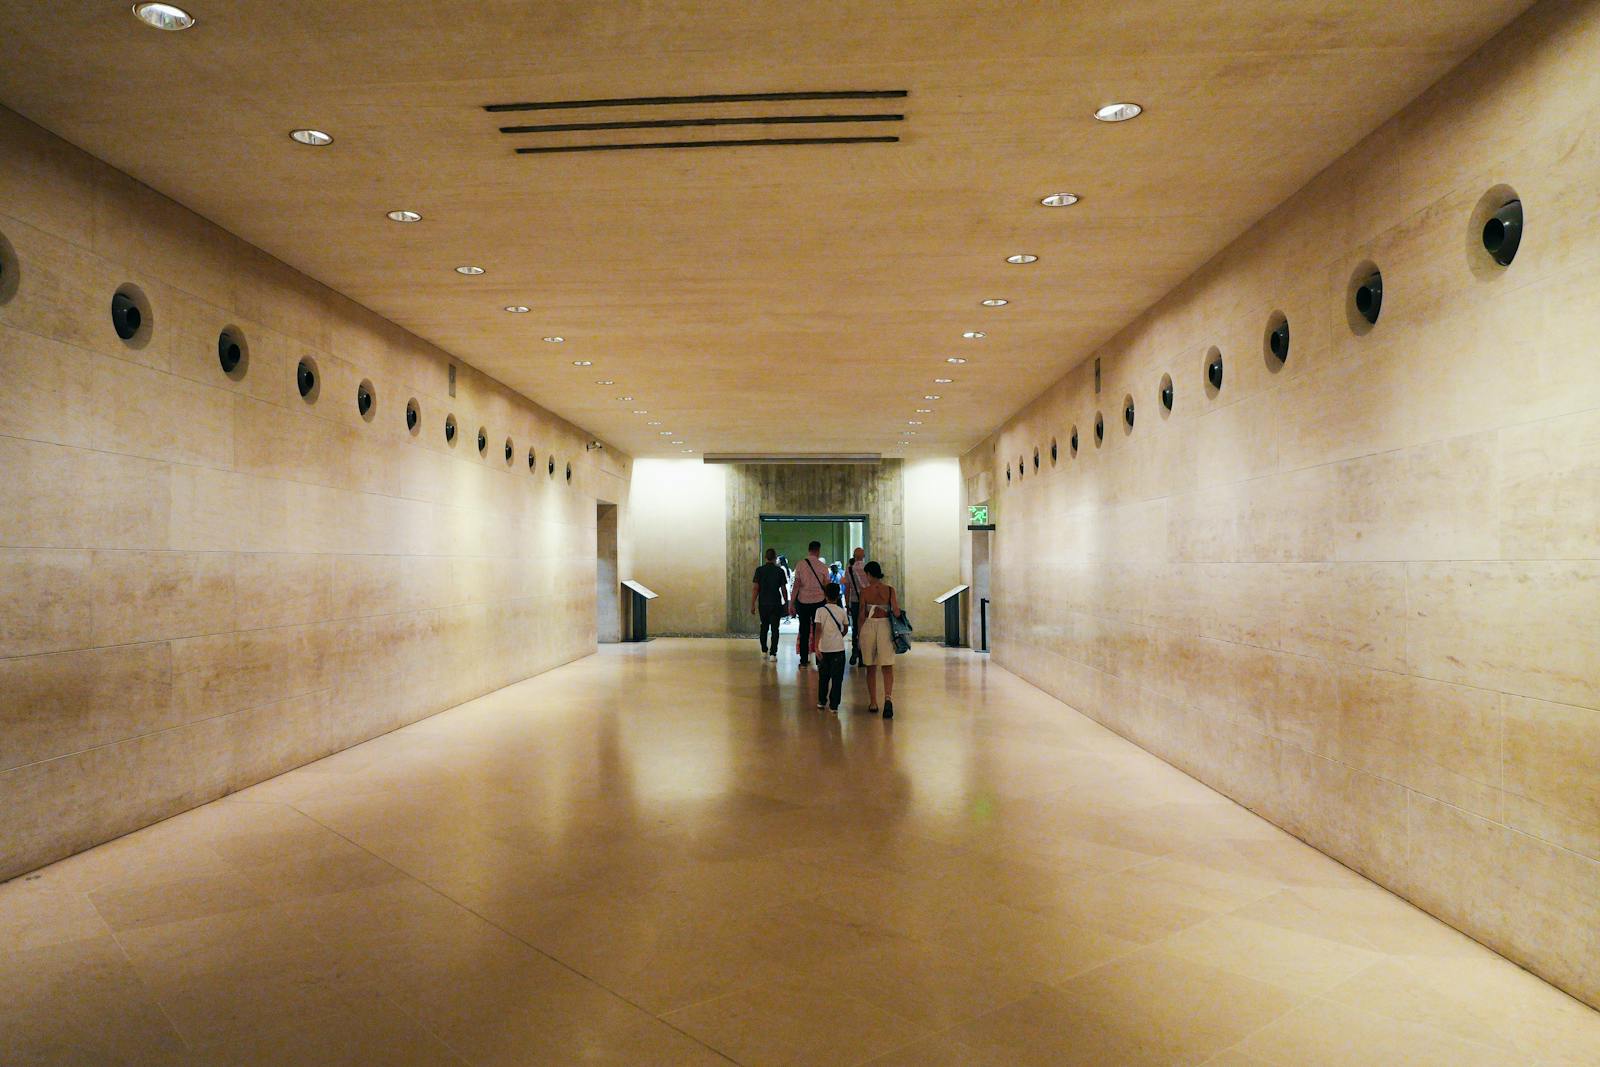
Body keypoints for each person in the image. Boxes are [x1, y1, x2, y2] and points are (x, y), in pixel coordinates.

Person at [856, 560, 899, 718]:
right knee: (887, 665)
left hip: (869, 626)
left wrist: (858, 635)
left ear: (868, 574)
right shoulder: (889, 590)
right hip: (885, 626)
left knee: (870, 666)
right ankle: (888, 698)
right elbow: (896, 611)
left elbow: (861, 615)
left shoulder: (865, 592)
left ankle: (873, 702)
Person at [788, 540, 830, 669]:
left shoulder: (800, 565)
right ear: (818, 551)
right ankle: (819, 658)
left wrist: (791, 603)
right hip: (819, 602)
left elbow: (796, 585)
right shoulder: (823, 567)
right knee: (819, 630)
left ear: (809, 550)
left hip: (803, 602)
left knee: (804, 630)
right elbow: (826, 586)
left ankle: (804, 660)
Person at [811, 582, 850, 711]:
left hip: (824, 648)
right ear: (838, 596)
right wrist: (839, 636)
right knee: (837, 679)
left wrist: (816, 646)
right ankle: (834, 705)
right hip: (838, 648)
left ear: (825, 595)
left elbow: (817, 629)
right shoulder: (841, 611)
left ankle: (822, 701)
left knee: (823, 677)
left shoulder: (820, 611)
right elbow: (845, 628)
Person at [750, 548, 788, 659]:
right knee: (775, 629)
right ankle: (773, 653)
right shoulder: (779, 571)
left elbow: (755, 588)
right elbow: (783, 588)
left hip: (763, 603)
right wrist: (786, 602)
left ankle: (764, 649)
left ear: (766, 557)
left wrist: (752, 604)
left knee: (764, 627)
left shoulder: (759, 570)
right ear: (775, 558)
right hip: (775, 603)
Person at [842, 547, 869, 666]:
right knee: (865, 628)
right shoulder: (868, 568)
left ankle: (854, 652)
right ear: (863, 556)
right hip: (867, 602)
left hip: (854, 601)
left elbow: (847, 588)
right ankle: (863, 656)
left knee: (856, 628)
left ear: (853, 556)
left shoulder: (849, 569)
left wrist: (847, 604)